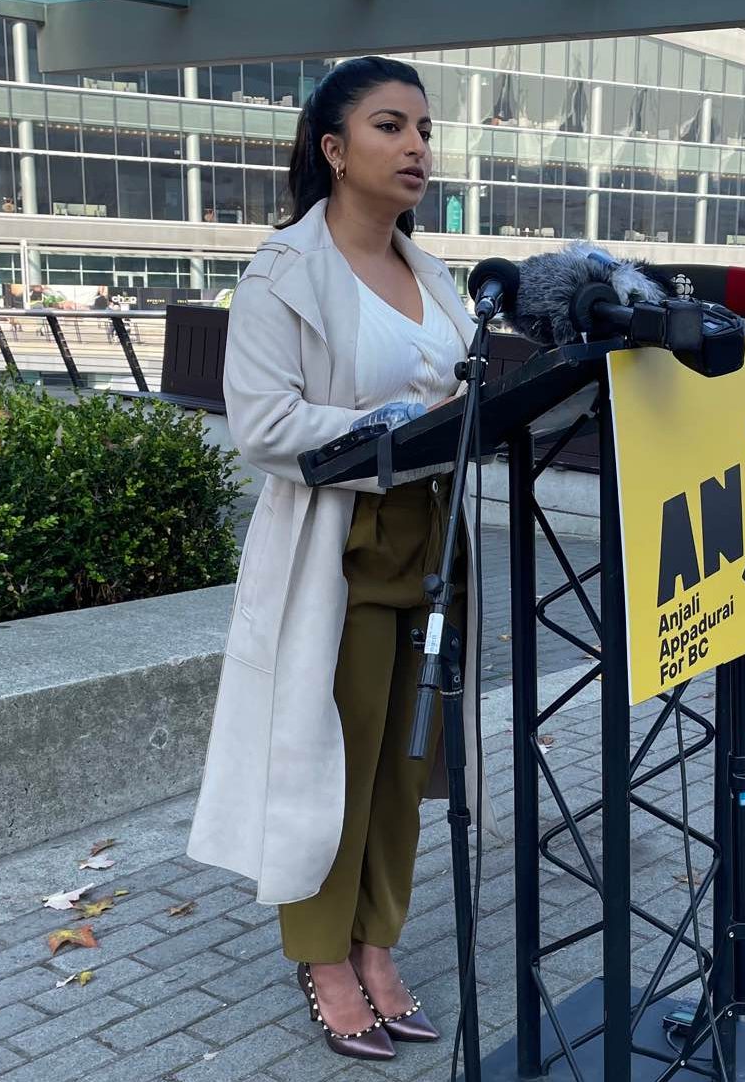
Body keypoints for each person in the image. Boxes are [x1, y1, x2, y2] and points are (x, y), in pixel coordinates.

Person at [184, 56, 476, 1063]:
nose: (417, 148)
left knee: (405, 760)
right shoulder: (286, 271)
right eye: (391, 127)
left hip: (434, 538)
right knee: (333, 767)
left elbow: (465, 390)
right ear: (333, 148)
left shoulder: (428, 271)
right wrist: (392, 421)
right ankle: (322, 955)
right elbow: (260, 426)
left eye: (425, 130)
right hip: (342, 545)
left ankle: (378, 940)